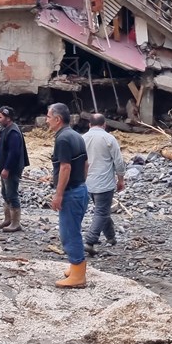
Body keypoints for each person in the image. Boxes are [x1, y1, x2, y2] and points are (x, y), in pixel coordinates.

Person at [46, 103, 89, 289]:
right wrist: (80, 181)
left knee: (69, 234)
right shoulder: (76, 135)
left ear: (57, 119)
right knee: (74, 230)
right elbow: (86, 163)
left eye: (48, 117)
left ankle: (78, 275)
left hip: (71, 193)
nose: (46, 120)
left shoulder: (62, 139)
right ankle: (75, 268)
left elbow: (65, 167)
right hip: (80, 189)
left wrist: (59, 194)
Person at [82, 113, 125, 255]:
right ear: (104, 124)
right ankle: (90, 241)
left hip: (88, 181)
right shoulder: (109, 138)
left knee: (102, 209)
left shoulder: (83, 138)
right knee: (101, 211)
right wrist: (121, 179)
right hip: (105, 182)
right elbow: (118, 161)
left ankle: (111, 237)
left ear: (89, 125)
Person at [0, 106, 29, 233]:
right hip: (4, 167)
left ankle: (15, 223)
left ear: (8, 118)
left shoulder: (13, 132)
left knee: (12, 194)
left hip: (11, 169)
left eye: (0, 117)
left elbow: (14, 153)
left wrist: (7, 168)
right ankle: (7, 219)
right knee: (5, 193)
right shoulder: (4, 129)